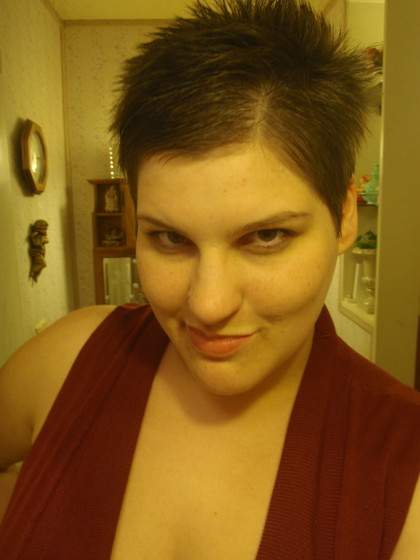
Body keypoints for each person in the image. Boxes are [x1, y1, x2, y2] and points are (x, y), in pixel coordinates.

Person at [1, 0, 419, 558]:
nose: (208, 303)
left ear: (345, 215)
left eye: (266, 236)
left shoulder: (404, 472)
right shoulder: (64, 363)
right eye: (169, 238)